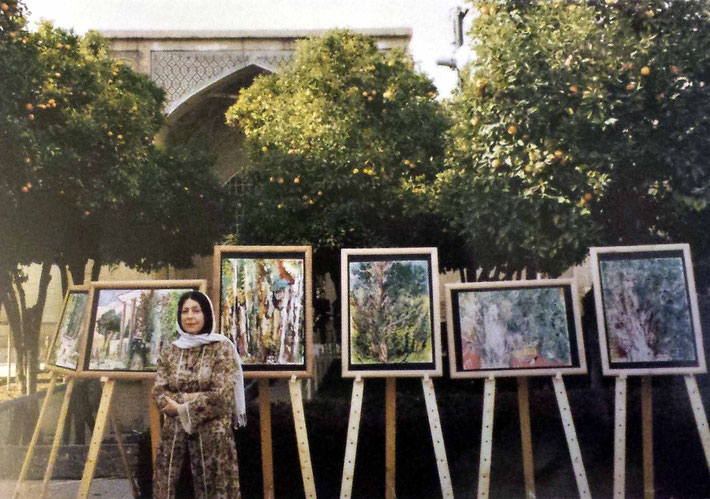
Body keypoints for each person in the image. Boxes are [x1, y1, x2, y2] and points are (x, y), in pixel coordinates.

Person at [152, 290, 246, 498]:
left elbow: (222, 397)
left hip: (213, 441)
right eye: (185, 311)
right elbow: (159, 391)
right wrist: (190, 401)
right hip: (174, 441)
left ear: (207, 315)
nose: (190, 317)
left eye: (196, 310)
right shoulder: (170, 350)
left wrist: (181, 405)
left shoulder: (221, 348)